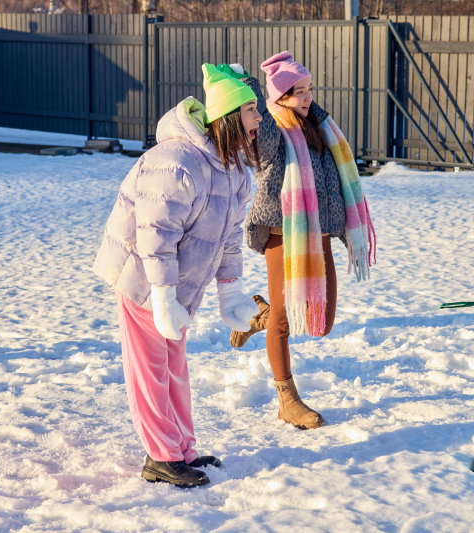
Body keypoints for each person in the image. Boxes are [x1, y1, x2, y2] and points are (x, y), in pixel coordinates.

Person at [93, 64, 262, 488]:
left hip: (177, 284)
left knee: (174, 364)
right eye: (252, 109)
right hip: (143, 274)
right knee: (151, 365)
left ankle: (182, 449)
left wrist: (231, 293)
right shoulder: (177, 161)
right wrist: (163, 295)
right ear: (227, 115)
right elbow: (155, 235)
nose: (260, 118)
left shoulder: (233, 169)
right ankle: (161, 457)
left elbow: (228, 237)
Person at [217, 53, 376, 430]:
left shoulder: (320, 127)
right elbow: (262, 130)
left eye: (309, 90)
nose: (306, 98)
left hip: (316, 236)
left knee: (322, 323)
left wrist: (301, 96)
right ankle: (286, 399)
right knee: (286, 323)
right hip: (283, 236)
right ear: (279, 97)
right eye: (298, 92)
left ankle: (264, 315)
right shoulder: (271, 129)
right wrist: (257, 87)